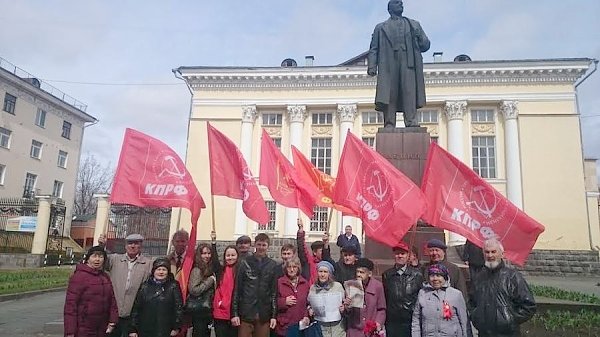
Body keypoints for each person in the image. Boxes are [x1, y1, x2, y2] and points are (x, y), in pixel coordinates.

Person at [367, 0, 430, 128]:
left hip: (408, 63)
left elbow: (426, 46)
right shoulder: (380, 28)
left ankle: (411, 121)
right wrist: (372, 66)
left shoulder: (414, 25)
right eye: (397, 2)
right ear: (390, 9)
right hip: (388, 65)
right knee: (390, 92)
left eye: (401, 3)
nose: (401, 4)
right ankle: (389, 123)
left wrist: (419, 36)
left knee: (409, 91)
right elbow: (374, 49)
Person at [469, 239, 536, 337]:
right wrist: (477, 317)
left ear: (501, 254)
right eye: (487, 252)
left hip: (508, 334)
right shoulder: (478, 278)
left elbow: (529, 306)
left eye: (493, 251)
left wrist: (509, 319)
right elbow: (471, 303)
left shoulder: (513, 277)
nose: (490, 255)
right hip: (484, 333)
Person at [99, 233, 153, 337]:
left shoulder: (148, 264)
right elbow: (100, 260)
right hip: (113, 313)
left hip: (133, 316)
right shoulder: (115, 259)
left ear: (141, 245)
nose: (132, 246)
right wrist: (102, 246)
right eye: (130, 243)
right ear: (125, 245)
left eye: (136, 243)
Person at [64, 245, 119, 337]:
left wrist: (113, 320)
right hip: (83, 328)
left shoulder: (105, 277)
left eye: (100, 257)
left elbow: (112, 300)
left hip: (101, 328)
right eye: (94, 256)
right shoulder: (79, 277)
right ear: (88, 258)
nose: (97, 260)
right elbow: (70, 306)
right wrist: (70, 331)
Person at [231, 233, 278, 337]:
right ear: (254, 245)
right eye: (259, 244)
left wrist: (274, 315)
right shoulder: (245, 263)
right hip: (246, 312)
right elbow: (237, 289)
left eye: (264, 245)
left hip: (264, 314)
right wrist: (234, 313)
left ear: (268, 246)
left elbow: (274, 292)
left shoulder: (273, 265)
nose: (261, 247)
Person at [129, 258, 184, 337]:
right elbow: (136, 308)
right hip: (145, 329)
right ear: (153, 271)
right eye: (158, 269)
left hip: (166, 329)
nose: (161, 272)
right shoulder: (145, 286)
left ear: (168, 271)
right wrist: (133, 328)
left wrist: (176, 327)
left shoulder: (173, 286)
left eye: (164, 269)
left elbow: (178, 307)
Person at [412, 264, 468, 337]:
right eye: (432, 276)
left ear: (445, 277)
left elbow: (464, 321)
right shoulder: (422, 293)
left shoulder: (456, 294)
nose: (435, 279)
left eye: (439, 276)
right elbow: (416, 318)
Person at [381, 242, 423, 337]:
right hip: (392, 322)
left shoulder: (417, 275)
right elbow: (385, 297)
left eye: (402, 253)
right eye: (397, 253)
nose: (399, 256)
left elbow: (420, 297)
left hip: (410, 321)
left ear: (408, 255)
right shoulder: (387, 275)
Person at [345, 258, 386, 337]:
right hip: (355, 330)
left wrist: (378, 323)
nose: (358, 275)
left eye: (362, 272)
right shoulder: (351, 285)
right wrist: (347, 306)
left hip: (371, 331)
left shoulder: (378, 286)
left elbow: (381, 309)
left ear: (369, 273)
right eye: (357, 272)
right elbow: (347, 312)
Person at [306, 261, 346, 337]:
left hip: (337, 328)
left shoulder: (337, 286)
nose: (322, 274)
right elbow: (309, 304)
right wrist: (310, 309)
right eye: (320, 271)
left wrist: (344, 307)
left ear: (329, 274)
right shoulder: (313, 288)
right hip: (321, 327)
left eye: (325, 272)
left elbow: (345, 303)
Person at [275, 257, 310, 337]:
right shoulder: (279, 282)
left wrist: (306, 316)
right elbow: (271, 301)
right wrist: (283, 302)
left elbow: (307, 304)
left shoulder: (305, 283)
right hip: (285, 326)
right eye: (289, 267)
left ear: (298, 268)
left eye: (294, 267)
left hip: (301, 325)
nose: (291, 270)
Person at [188, 244, 217, 337]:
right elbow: (193, 290)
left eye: (209, 253)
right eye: (204, 253)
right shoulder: (197, 269)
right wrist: (210, 281)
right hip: (199, 310)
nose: (207, 256)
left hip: (207, 310)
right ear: (199, 255)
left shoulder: (208, 268)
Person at [212, 244, 240, 337]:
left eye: (233, 255)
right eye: (228, 255)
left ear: (237, 256)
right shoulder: (221, 270)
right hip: (220, 312)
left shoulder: (241, 271)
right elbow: (215, 261)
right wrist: (213, 243)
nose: (230, 257)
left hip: (235, 313)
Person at [297, 219, 334, 284]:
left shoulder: (327, 262)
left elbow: (326, 255)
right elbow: (302, 249)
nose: (323, 253)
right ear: (314, 252)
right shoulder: (309, 261)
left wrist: (326, 243)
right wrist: (301, 231)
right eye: (320, 251)